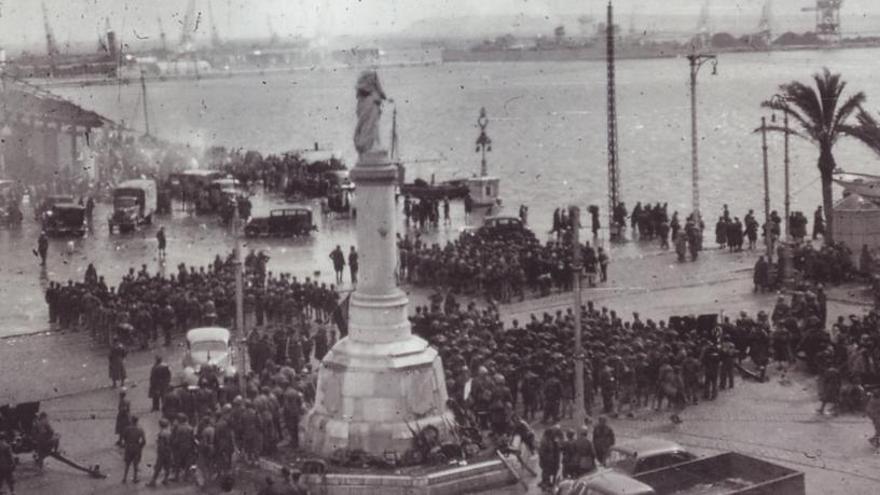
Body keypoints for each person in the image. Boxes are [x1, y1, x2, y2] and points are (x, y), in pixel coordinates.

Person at [146, 418, 173, 487]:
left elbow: (161, 445)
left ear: (160, 425)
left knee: (158, 467)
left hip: (162, 453)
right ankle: (166, 479)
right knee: (167, 466)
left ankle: (153, 481)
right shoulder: (169, 432)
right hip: (169, 451)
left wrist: (159, 452)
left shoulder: (161, 434)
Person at [122, 416, 146, 484]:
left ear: (131, 421)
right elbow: (144, 441)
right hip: (136, 447)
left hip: (129, 447)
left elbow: (124, 437)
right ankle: (135, 478)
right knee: (135, 464)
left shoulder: (127, 429)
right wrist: (140, 447)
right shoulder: (140, 429)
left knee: (127, 464)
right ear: (137, 421)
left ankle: (124, 478)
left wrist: (127, 443)